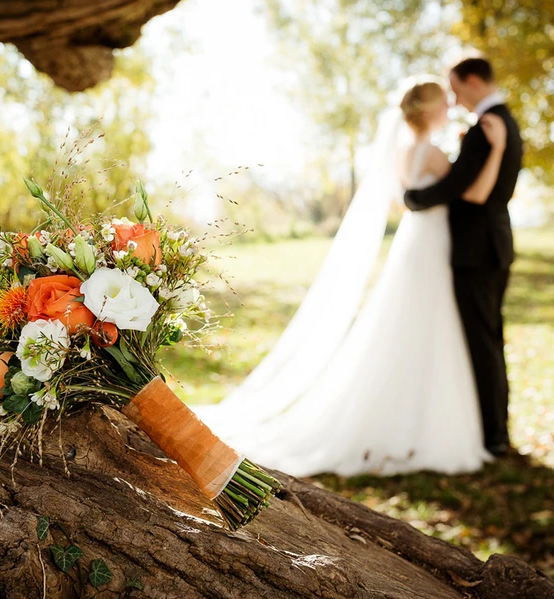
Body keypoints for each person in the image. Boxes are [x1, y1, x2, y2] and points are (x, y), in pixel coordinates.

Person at [197, 76, 507, 477]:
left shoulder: (403, 150)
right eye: (443, 103)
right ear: (430, 111)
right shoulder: (432, 154)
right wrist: (492, 148)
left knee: (407, 322)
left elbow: (405, 199)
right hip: (433, 245)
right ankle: (425, 420)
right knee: (433, 323)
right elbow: (469, 190)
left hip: (414, 244)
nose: (449, 107)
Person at [404, 58, 523, 458]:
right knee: (487, 339)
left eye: (456, 89)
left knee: (483, 341)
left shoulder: (487, 129)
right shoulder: (500, 123)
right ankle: (494, 430)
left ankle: (494, 435)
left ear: (474, 81)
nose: (454, 99)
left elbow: (462, 188)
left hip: (477, 251)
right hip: (488, 247)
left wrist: (414, 199)